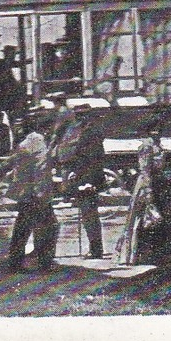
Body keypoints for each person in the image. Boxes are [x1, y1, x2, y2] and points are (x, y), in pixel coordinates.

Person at [115, 118, 171, 267]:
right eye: (154, 129)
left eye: (159, 129)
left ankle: (165, 253)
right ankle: (147, 254)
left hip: (159, 184)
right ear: (148, 131)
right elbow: (145, 170)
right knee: (147, 219)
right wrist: (148, 192)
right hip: (147, 185)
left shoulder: (158, 145)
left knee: (163, 217)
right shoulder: (146, 146)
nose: (157, 132)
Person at [1, 120, 58, 272]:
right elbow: (41, 168)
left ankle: (16, 261)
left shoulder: (26, 142)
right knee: (48, 227)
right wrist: (41, 193)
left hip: (26, 192)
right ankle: (44, 262)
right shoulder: (37, 142)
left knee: (23, 227)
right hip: (35, 193)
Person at [54, 106, 107, 261]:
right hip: (86, 176)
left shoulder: (90, 132)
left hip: (88, 178)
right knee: (88, 214)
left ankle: (96, 249)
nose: (79, 119)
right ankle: (96, 248)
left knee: (89, 213)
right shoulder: (88, 130)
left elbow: (87, 157)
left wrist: (77, 172)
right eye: (78, 116)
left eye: (81, 116)